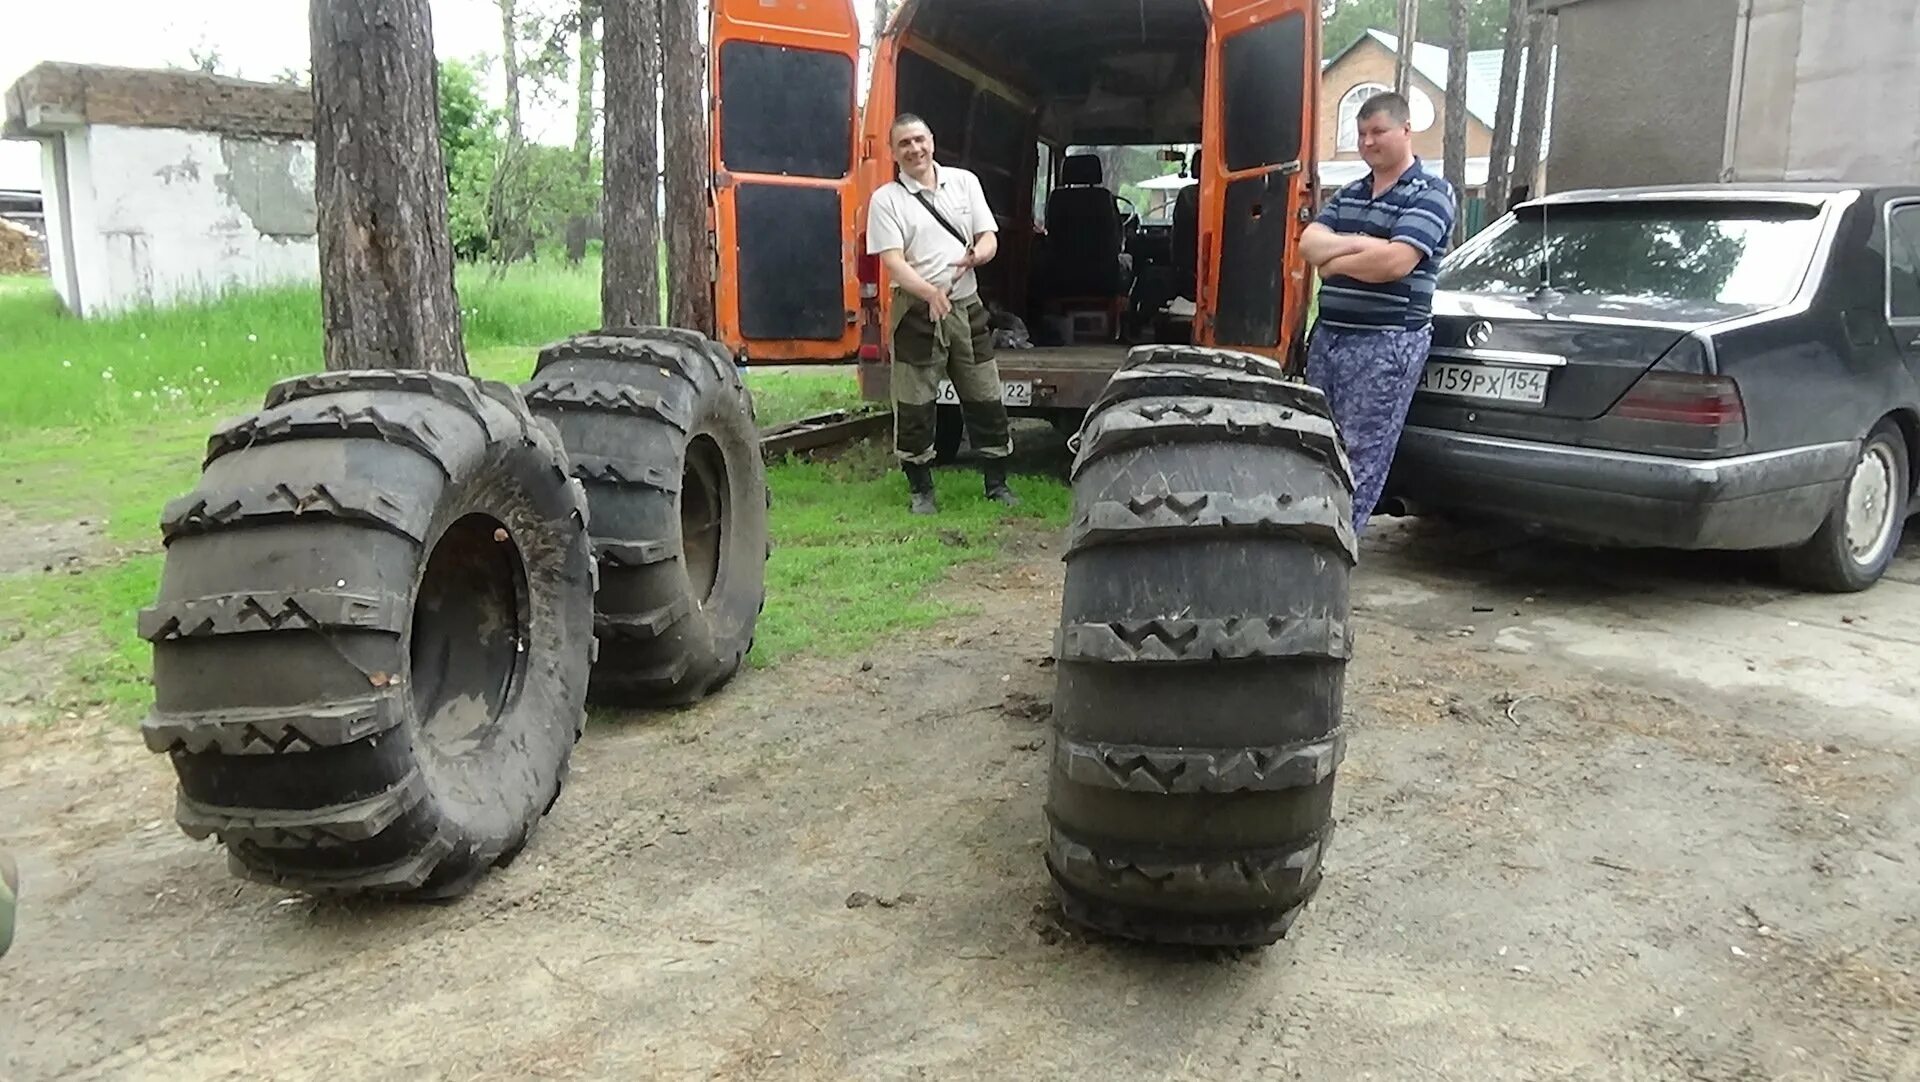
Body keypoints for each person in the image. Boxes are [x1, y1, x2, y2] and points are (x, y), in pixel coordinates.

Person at [1298, 91, 1457, 536]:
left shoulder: (1432, 194)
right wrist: (1364, 247)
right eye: (1362, 133)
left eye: (1378, 132)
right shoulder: (1350, 193)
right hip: (1330, 338)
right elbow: (1309, 246)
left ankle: (1332, 552)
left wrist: (1335, 261)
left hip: (1385, 343)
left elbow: (1396, 264)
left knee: (1359, 457)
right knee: (1315, 446)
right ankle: (1304, 537)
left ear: (1406, 131)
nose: (1368, 142)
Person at [867, 114, 1018, 515]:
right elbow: (893, 263)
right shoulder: (886, 200)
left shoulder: (965, 182)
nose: (914, 150)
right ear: (893, 152)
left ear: (932, 141)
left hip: (967, 308)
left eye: (919, 140)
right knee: (914, 403)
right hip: (916, 309)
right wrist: (929, 291)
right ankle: (921, 491)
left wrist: (981, 254)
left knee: (985, 394)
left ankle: (997, 484)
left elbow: (988, 236)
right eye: (904, 144)